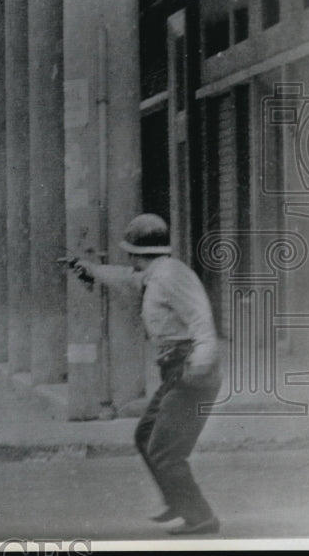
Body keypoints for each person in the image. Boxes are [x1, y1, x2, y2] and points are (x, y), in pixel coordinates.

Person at [71, 214, 221, 536]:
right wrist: (93, 271)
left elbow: (203, 324)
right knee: (145, 437)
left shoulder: (171, 277)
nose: (129, 260)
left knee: (166, 453)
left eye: (129, 253)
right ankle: (177, 501)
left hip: (191, 371)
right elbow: (127, 278)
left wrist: (199, 368)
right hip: (175, 371)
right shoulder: (157, 273)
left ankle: (201, 517)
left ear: (135, 252)